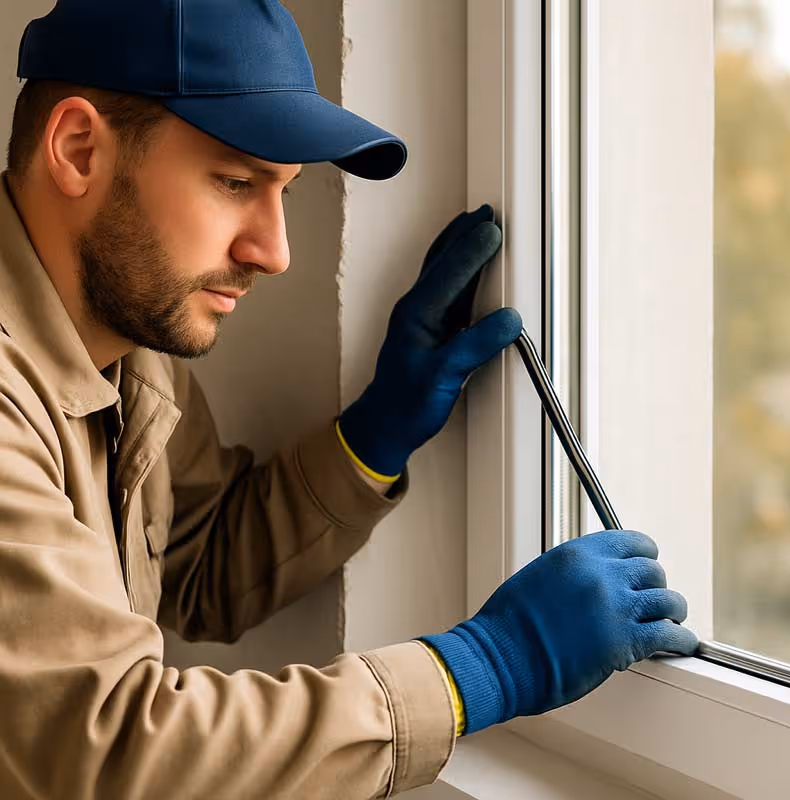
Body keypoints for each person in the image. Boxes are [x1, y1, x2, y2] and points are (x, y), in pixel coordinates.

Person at [0, 1, 698, 797]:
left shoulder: (128, 357)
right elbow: (111, 753)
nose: (275, 252)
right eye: (234, 182)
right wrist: (486, 667)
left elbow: (194, 564)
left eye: (283, 196)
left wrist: (374, 436)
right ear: (79, 148)